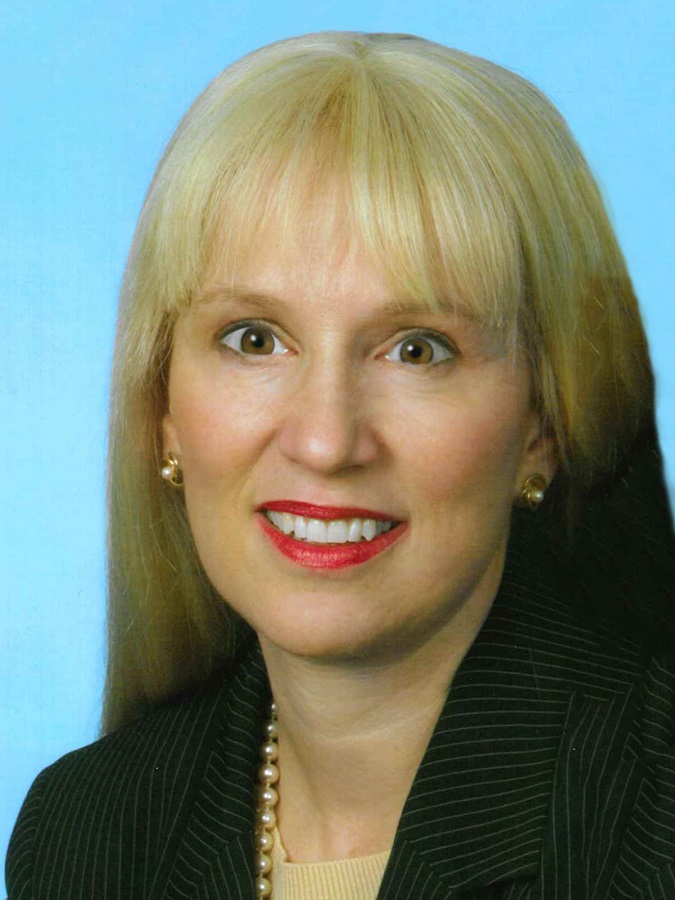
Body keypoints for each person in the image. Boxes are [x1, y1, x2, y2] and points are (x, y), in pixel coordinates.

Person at [6, 31, 675, 899]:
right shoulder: (85, 830)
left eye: (416, 349)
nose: (325, 442)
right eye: (254, 339)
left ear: (541, 426)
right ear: (162, 411)